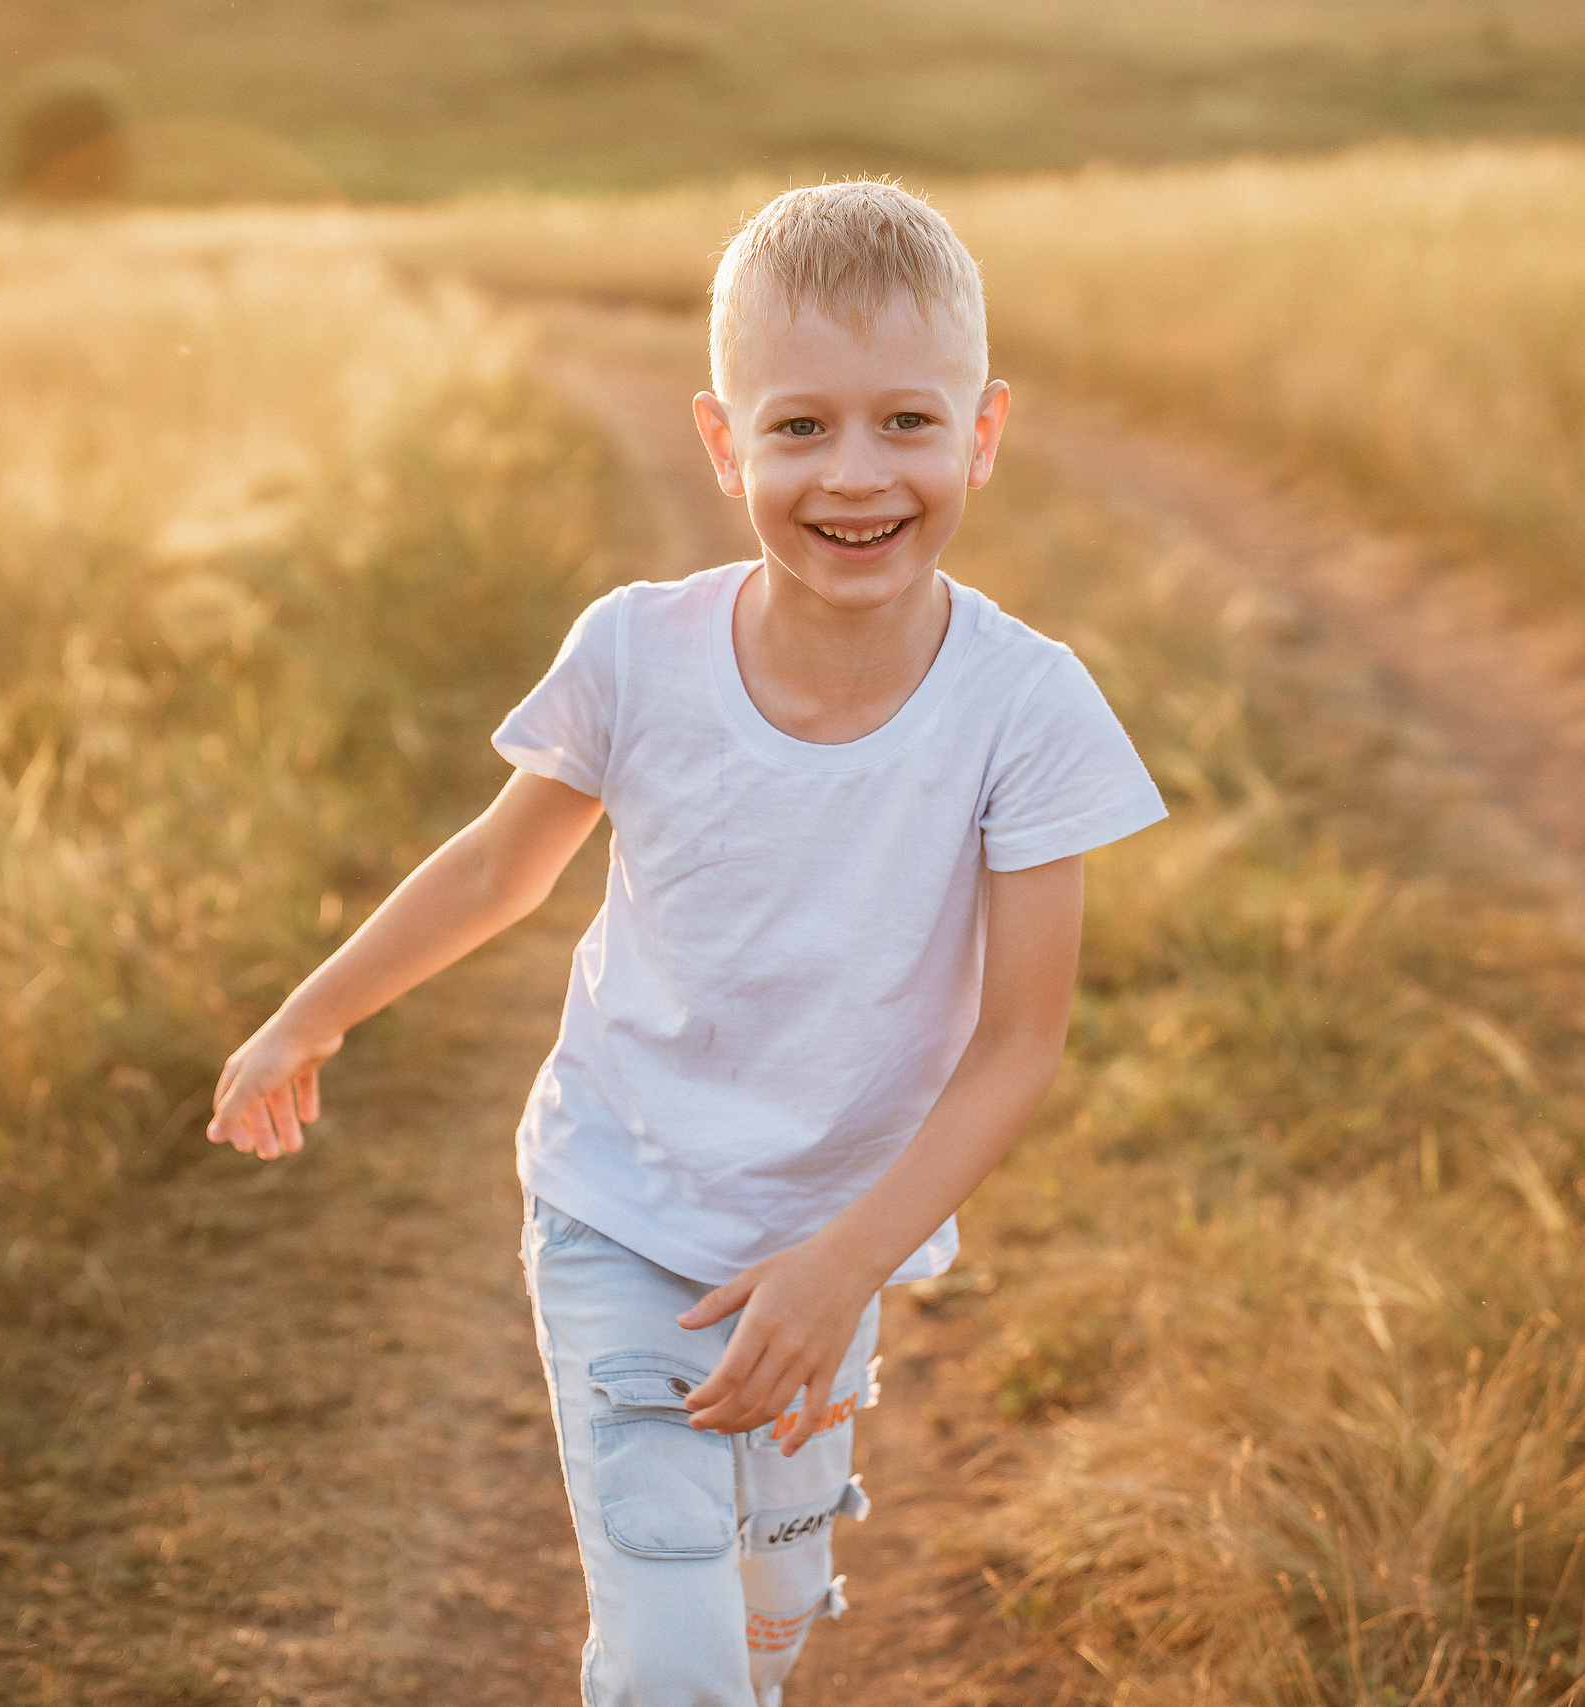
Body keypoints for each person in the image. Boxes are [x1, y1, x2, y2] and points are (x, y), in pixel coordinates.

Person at [206, 179, 1166, 1706]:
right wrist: (306, 1017)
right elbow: (496, 872)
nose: (856, 475)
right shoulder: (634, 655)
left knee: (772, 1592)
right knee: (671, 1628)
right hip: (618, 1200)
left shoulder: (1029, 709)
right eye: (799, 428)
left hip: (831, 1233)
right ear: (722, 443)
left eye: (905, 424)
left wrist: (843, 1267)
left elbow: (1019, 1043)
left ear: (982, 433)